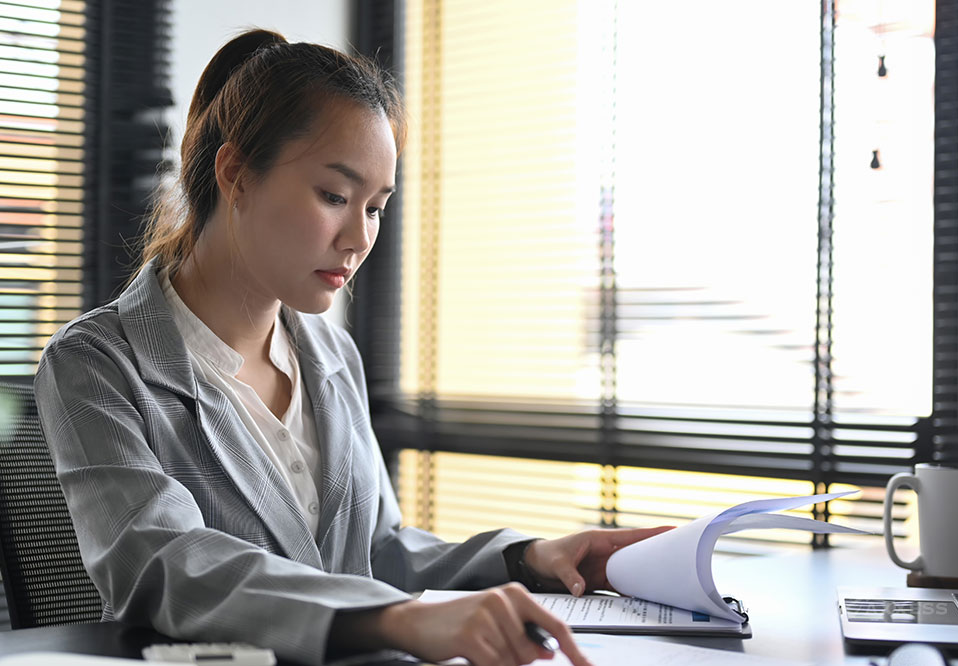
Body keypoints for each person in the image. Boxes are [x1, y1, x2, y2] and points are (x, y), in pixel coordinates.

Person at [33, 29, 668, 666]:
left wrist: (527, 557)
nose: (359, 238)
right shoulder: (97, 365)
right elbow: (169, 567)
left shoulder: (331, 356)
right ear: (235, 174)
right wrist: (398, 619)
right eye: (335, 197)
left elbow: (379, 549)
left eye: (375, 206)